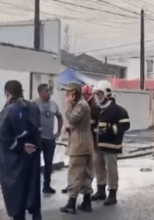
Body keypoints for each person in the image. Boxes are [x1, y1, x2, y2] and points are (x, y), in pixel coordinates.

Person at [0, 80, 42, 220]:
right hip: (32, 156)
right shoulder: (33, 107)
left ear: (8, 93)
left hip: (14, 161)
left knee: (16, 193)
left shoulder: (9, 110)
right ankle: (36, 214)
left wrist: (20, 146)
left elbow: (3, 134)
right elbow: (38, 130)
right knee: (32, 188)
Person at [90, 80, 130, 206]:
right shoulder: (95, 109)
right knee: (98, 168)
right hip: (97, 145)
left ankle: (112, 193)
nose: (98, 97)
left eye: (100, 94)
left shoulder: (119, 110)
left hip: (111, 145)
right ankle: (100, 190)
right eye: (96, 94)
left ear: (107, 93)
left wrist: (109, 130)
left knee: (111, 170)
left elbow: (125, 125)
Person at [60, 82, 95, 215]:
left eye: (69, 94)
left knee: (75, 173)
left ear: (75, 94)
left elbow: (72, 119)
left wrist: (68, 106)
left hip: (80, 145)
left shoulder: (82, 105)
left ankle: (71, 203)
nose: (67, 96)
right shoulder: (82, 105)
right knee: (85, 173)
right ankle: (86, 201)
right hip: (84, 143)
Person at [32, 84, 63, 194]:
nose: (48, 93)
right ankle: (33, 187)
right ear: (40, 92)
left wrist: (58, 131)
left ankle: (47, 186)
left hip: (50, 139)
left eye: (49, 91)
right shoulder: (34, 104)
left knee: (48, 164)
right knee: (35, 164)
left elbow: (59, 117)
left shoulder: (53, 105)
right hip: (38, 139)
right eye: (46, 91)